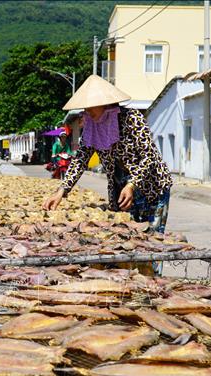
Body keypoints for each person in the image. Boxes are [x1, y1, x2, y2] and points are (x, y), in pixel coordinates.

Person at [42, 75, 173, 274]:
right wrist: (62, 190)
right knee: (126, 238)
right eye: (84, 108)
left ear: (104, 103)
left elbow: (149, 156)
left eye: (90, 107)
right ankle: (131, 280)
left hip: (151, 186)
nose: (86, 111)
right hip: (120, 187)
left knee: (151, 240)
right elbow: (80, 159)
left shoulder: (131, 119)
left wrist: (132, 184)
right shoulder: (91, 126)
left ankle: (152, 282)